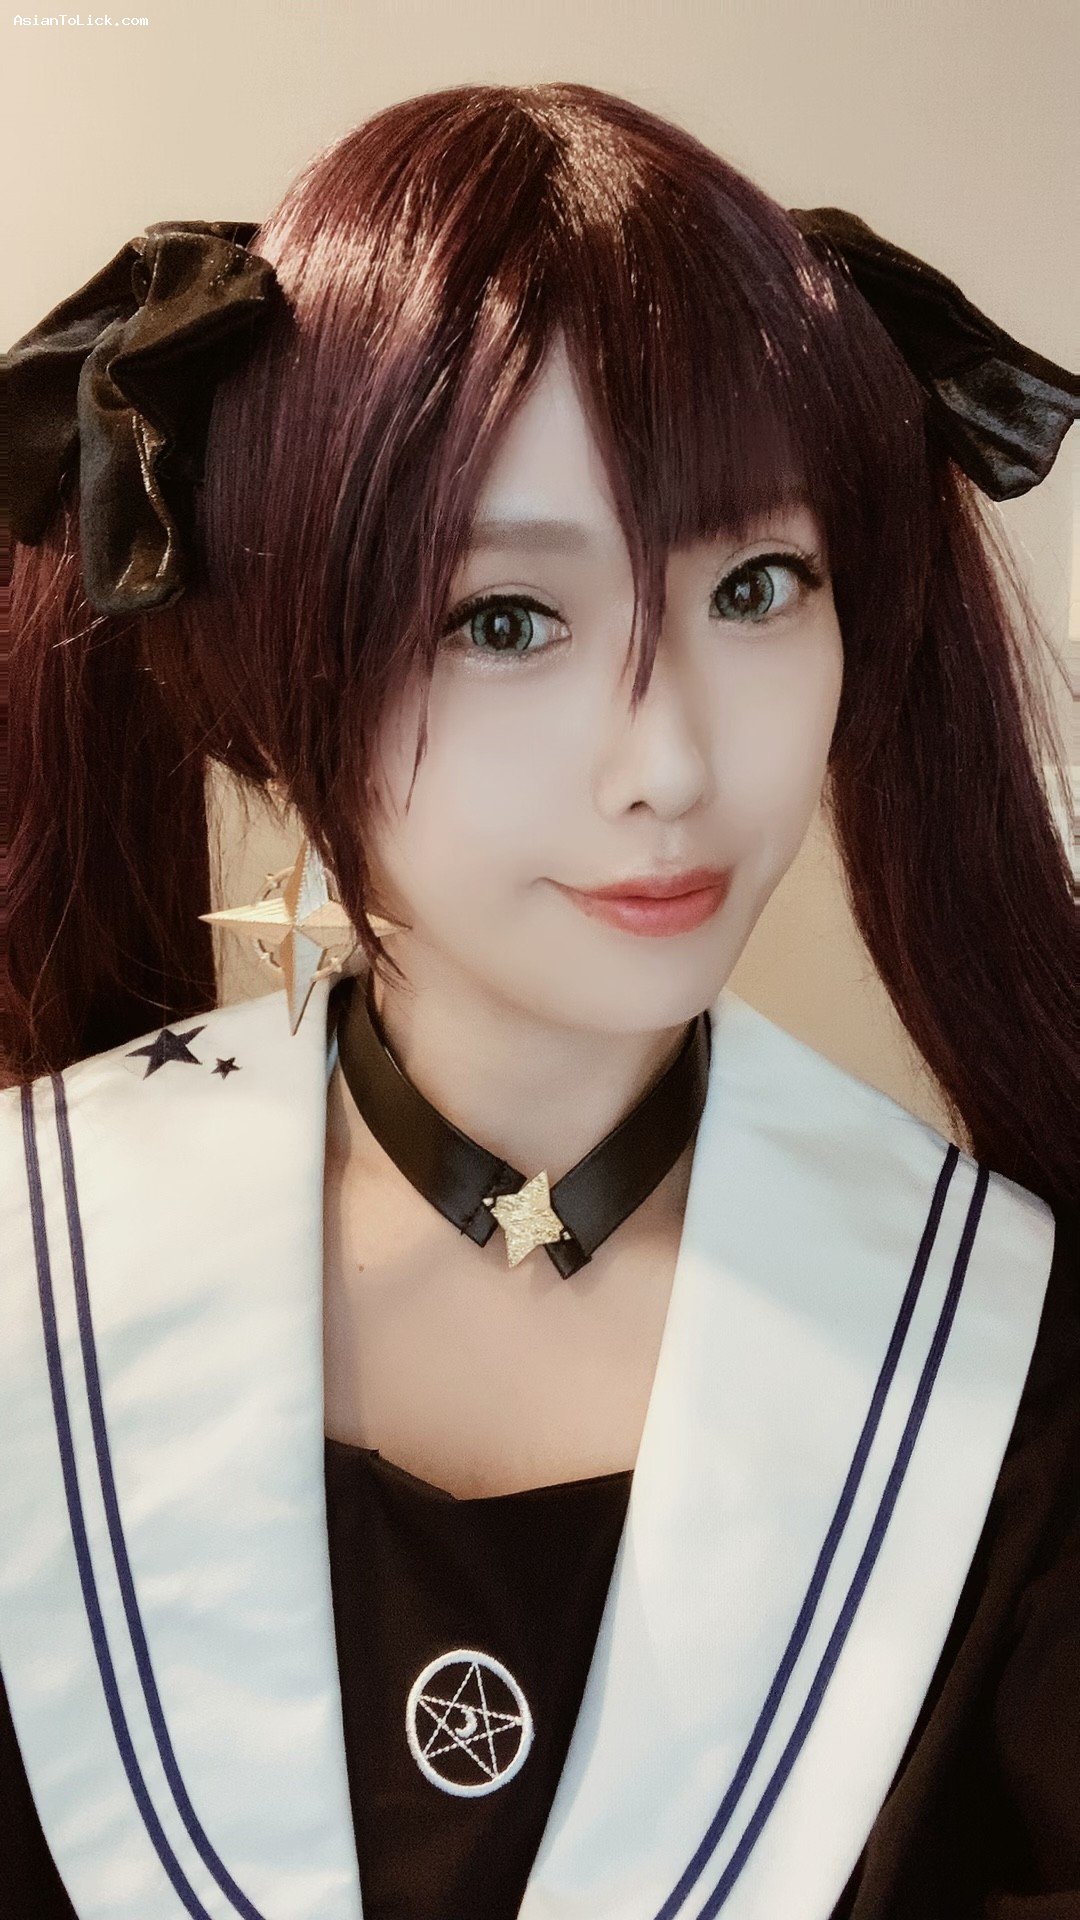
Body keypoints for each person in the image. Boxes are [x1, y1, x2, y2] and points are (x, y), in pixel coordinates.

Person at [1, 79, 1078, 1920]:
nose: (670, 762)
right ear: (270, 662)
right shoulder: (42, 1254)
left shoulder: (1001, 1361)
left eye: (759, 585)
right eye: (506, 620)